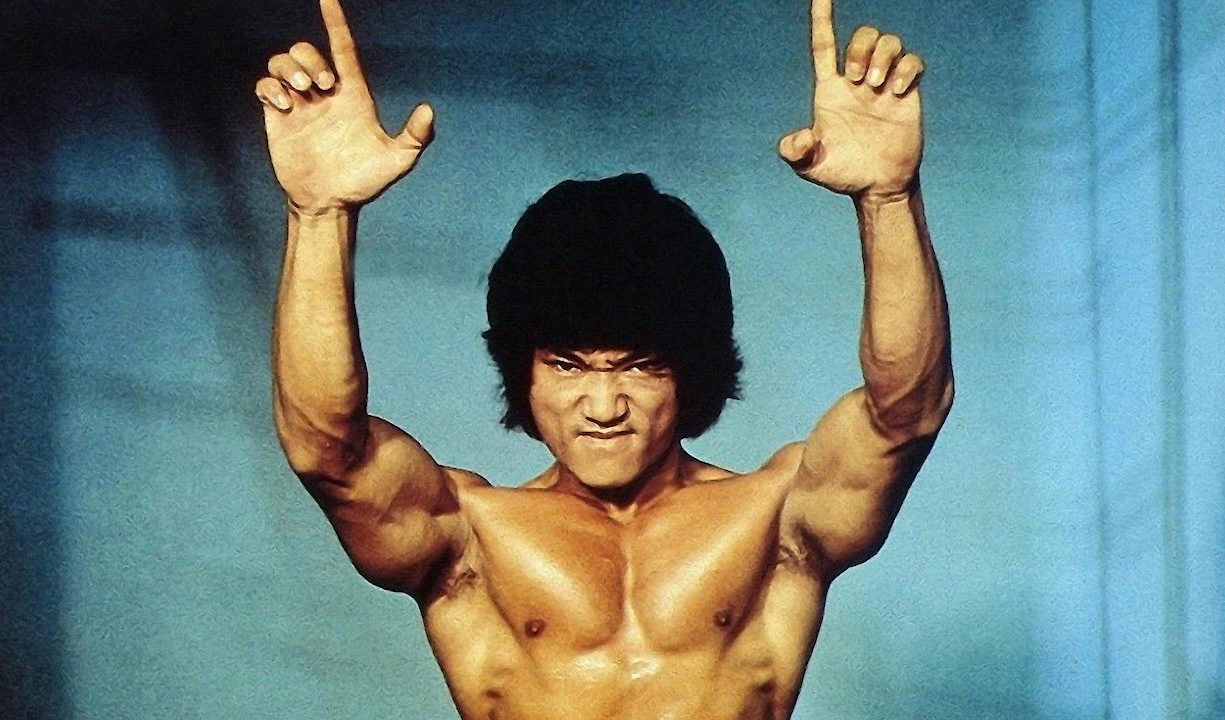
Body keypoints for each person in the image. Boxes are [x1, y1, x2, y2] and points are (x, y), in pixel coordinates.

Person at [257, 0, 952, 717]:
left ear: (691, 370)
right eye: (568, 365)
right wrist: (320, 216)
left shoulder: (775, 519)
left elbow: (904, 414)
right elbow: (325, 449)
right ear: (523, 372)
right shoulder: (471, 536)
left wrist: (888, 198)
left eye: (638, 365)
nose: (603, 406)